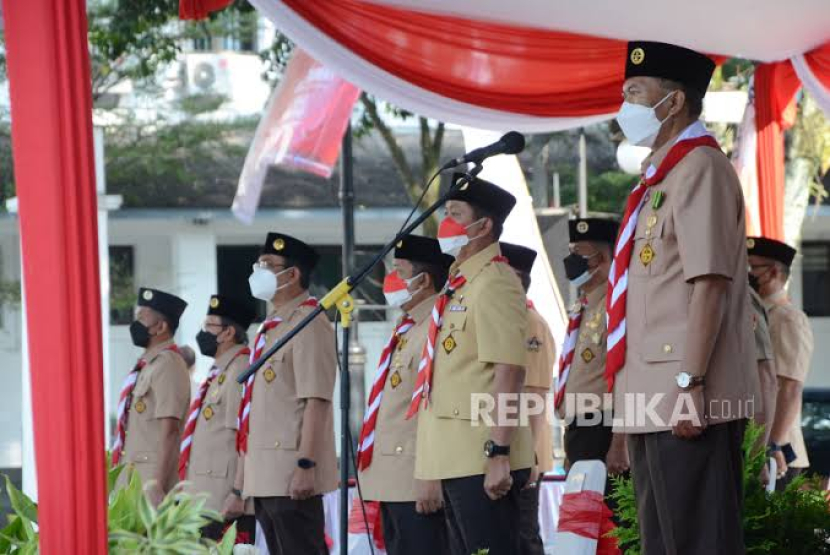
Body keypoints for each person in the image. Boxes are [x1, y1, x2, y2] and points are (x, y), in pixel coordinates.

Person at [608, 42, 758, 554]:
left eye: (636, 92)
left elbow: (709, 283)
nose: (624, 105)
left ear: (673, 102)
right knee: (666, 542)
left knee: (697, 540)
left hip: (686, 394)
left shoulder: (700, 169)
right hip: (652, 393)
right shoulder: (661, 179)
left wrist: (690, 383)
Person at [413, 174, 535, 555]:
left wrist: (499, 453)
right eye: (445, 212)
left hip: (482, 457)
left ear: (483, 226)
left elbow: (509, 371)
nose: (445, 222)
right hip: (454, 455)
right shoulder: (459, 283)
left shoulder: (495, 281)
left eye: (456, 213)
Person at [235, 232, 337, 555]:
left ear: (292, 275)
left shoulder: (308, 322)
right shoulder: (272, 327)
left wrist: (306, 465)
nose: (259, 272)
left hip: (291, 475)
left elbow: (316, 401)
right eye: (258, 264)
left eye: (269, 265)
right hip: (265, 475)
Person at [357, 235, 453, 555]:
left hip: (416, 478)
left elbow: (436, 405)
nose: (390, 280)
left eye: (399, 270)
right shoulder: (409, 326)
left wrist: (431, 475)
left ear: (423, 280)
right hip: (393, 478)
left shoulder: (437, 326)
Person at [179, 295, 257, 541]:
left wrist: (238, 492)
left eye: (208, 326)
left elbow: (246, 436)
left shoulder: (240, 369)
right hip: (204, 496)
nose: (202, 333)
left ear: (228, 333)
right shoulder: (221, 370)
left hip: (224, 501)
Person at [555, 218, 626, 476]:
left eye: (579, 254)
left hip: (604, 427)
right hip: (580, 429)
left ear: (602, 259)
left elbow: (624, 374)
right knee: (584, 515)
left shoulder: (615, 306)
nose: (571, 260)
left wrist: (621, 442)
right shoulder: (584, 307)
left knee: (606, 515)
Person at [500, 242, 555, 555]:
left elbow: (534, 394)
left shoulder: (530, 324)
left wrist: (530, 458)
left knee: (524, 537)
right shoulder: (511, 320)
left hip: (524, 452)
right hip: (510, 448)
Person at [112, 287, 190, 507]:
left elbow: (170, 430)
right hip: (131, 477)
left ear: (161, 327)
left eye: (142, 318)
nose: (135, 323)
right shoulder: (147, 365)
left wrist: (157, 483)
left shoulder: (168, 364)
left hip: (150, 482)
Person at [748, 237, 814, 488]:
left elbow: (789, 387)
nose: (748, 274)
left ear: (773, 271)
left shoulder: (787, 319)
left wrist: (772, 444)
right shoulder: (759, 311)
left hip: (777, 454)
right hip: (757, 446)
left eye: (753, 267)